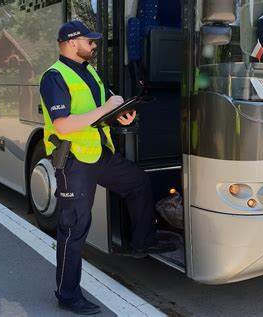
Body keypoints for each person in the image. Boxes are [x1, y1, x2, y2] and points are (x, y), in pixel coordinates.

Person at [39, 20, 176, 315]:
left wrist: (118, 116)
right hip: (74, 160)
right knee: (74, 227)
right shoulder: (54, 77)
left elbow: (99, 115)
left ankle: (142, 242)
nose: (94, 45)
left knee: (137, 182)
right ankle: (67, 294)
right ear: (73, 43)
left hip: (99, 153)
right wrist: (105, 109)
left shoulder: (89, 73)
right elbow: (63, 125)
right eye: (90, 41)